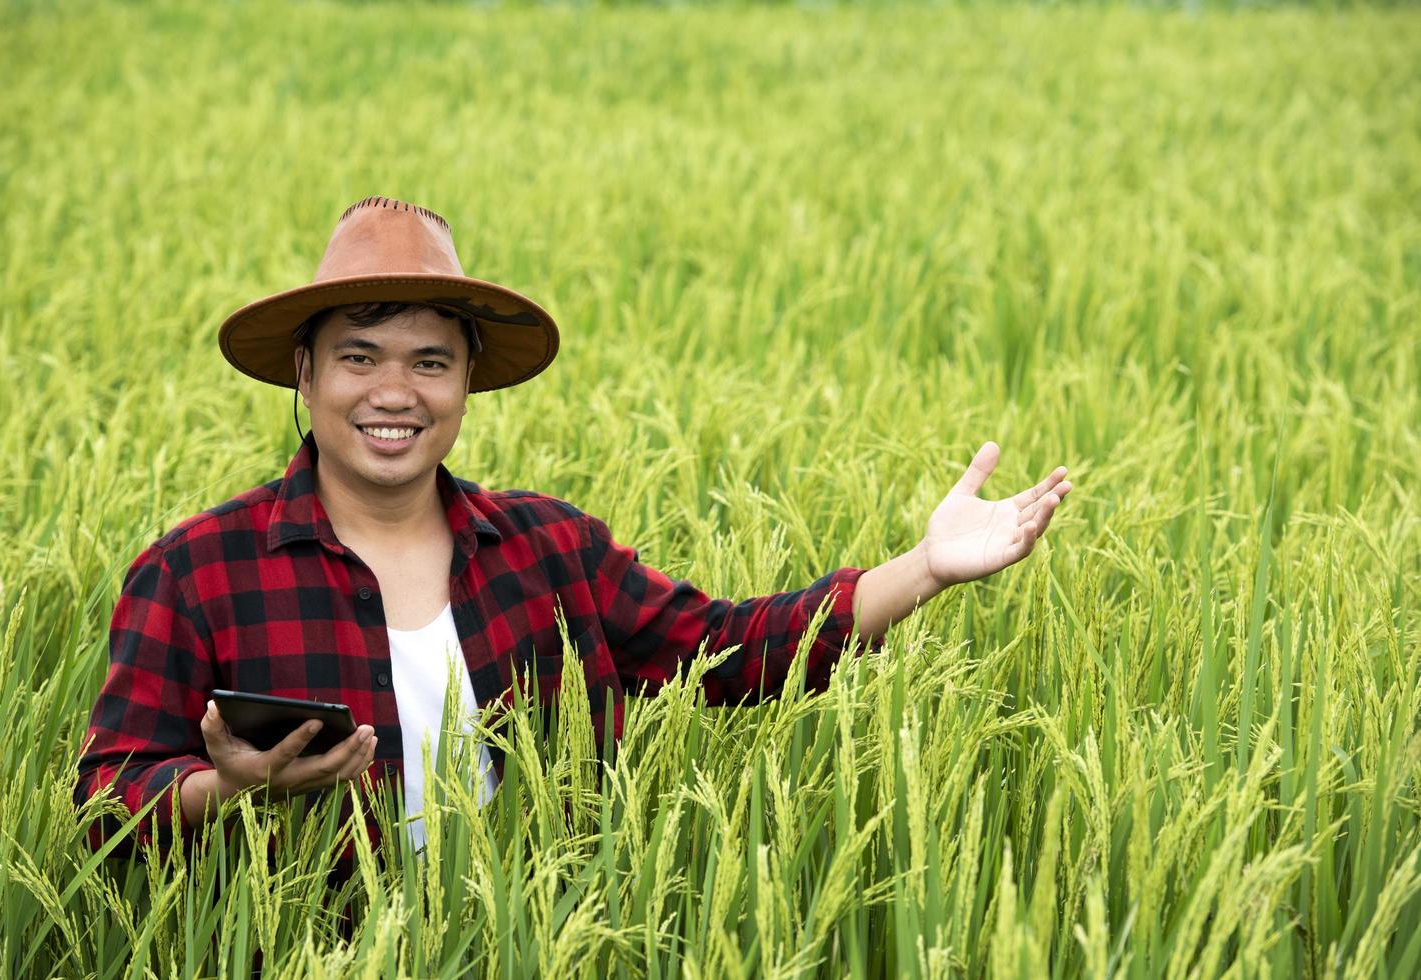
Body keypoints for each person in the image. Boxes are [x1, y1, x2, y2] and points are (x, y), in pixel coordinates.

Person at [73, 195, 1072, 859]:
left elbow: (727, 650)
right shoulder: (198, 570)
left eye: (430, 362)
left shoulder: (549, 551)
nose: (394, 392)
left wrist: (926, 567)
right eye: (358, 356)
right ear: (305, 374)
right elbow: (109, 795)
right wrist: (228, 786)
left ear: (466, 381)